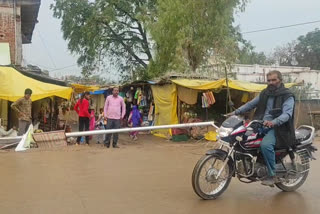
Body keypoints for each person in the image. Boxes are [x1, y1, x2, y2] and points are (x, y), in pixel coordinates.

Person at [226, 70, 295, 187]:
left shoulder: (287, 95)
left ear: (280, 80)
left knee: (266, 145)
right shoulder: (265, 93)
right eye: (269, 80)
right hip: (260, 125)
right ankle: (251, 166)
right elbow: (250, 104)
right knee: (242, 139)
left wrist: (273, 122)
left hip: (279, 128)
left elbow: (287, 114)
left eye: (274, 80)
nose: (271, 82)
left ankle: (272, 174)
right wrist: (235, 112)